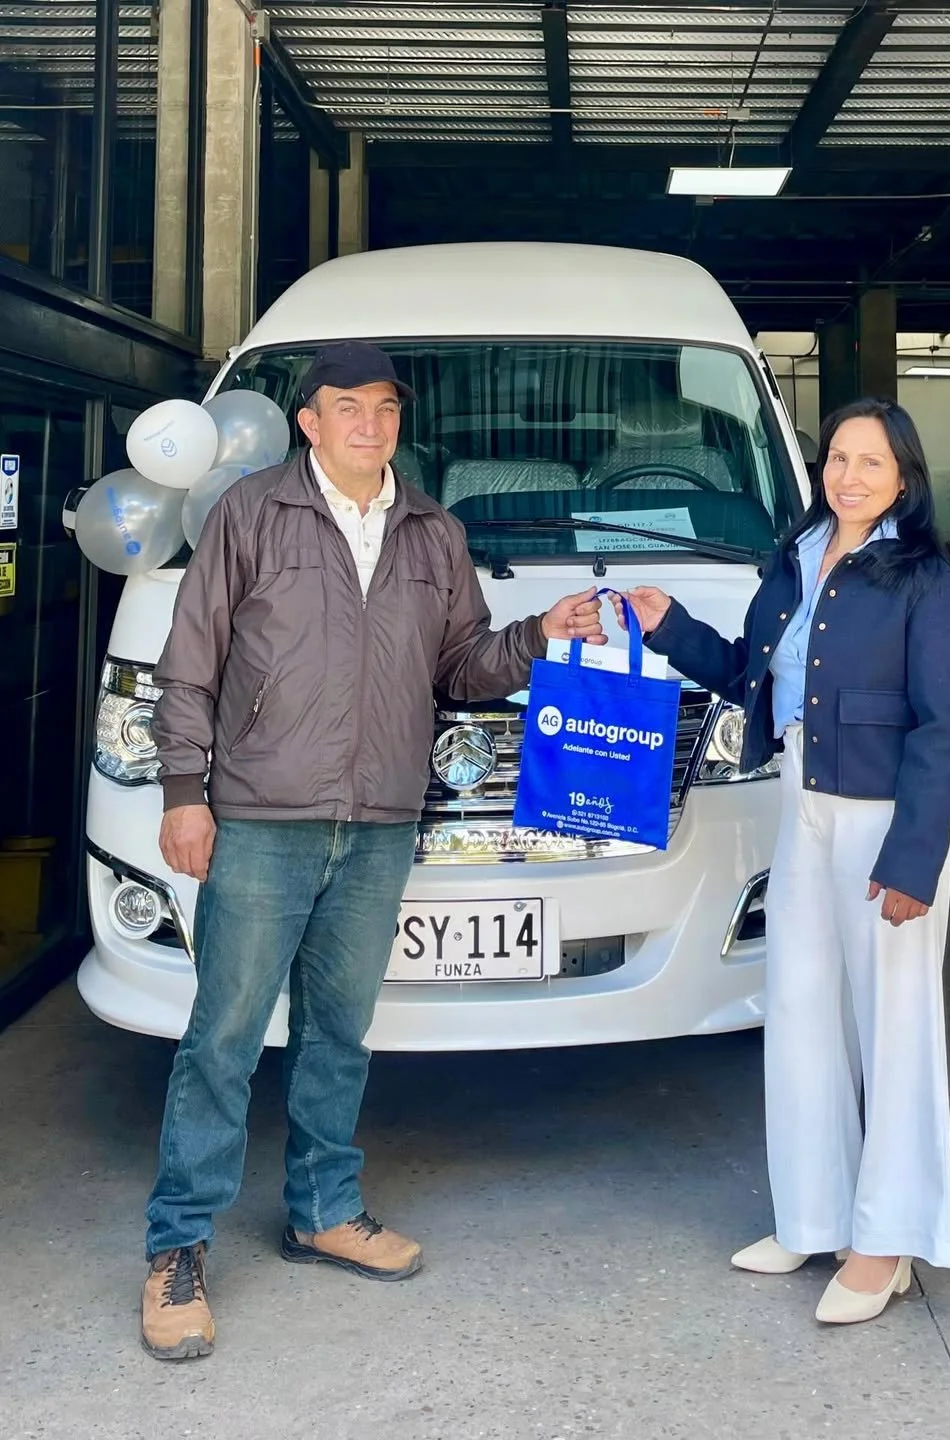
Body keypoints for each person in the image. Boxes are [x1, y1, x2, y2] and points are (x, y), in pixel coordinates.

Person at [141, 341, 607, 1360]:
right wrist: (186, 794)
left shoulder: (435, 532)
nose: (369, 424)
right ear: (307, 421)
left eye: (385, 407)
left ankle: (323, 1209)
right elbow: (190, 665)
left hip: (383, 817)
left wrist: (538, 635)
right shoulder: (251, 515)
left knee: (337, 1034)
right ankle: (177, 1247)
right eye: (346, 406)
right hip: (263, 817)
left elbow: (463, 668)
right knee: (223, 1038)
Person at [615, 397, 950, 1326]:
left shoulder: (927, 581)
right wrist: (667, 626)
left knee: (893, 1030)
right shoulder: (797, 558)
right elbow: (750, 673)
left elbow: (944, 731)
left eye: (871, 463)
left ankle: (886, 1239)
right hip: (803, 806)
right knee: (802, 1011)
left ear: (905, 476)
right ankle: (813, 1216)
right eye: (839, 460)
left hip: (887, 820)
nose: (849, 477)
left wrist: (913, 860)